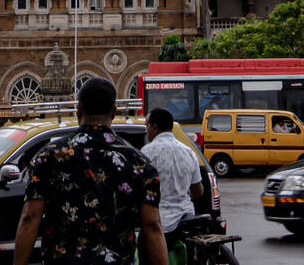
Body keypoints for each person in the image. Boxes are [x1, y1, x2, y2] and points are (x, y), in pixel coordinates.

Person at [14, 78, 164, 265]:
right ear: (114, 112)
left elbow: (30, 217)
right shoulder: (138, 162)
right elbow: (152, 226)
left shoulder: (48, 156)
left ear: (78, 110)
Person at [142, 109, 205, 263]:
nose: (146, 130)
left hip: (160, 222)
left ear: (154, 127)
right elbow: (198, 191)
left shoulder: (146, 152)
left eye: (146, 126)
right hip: (186, 219)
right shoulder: (189, 152)